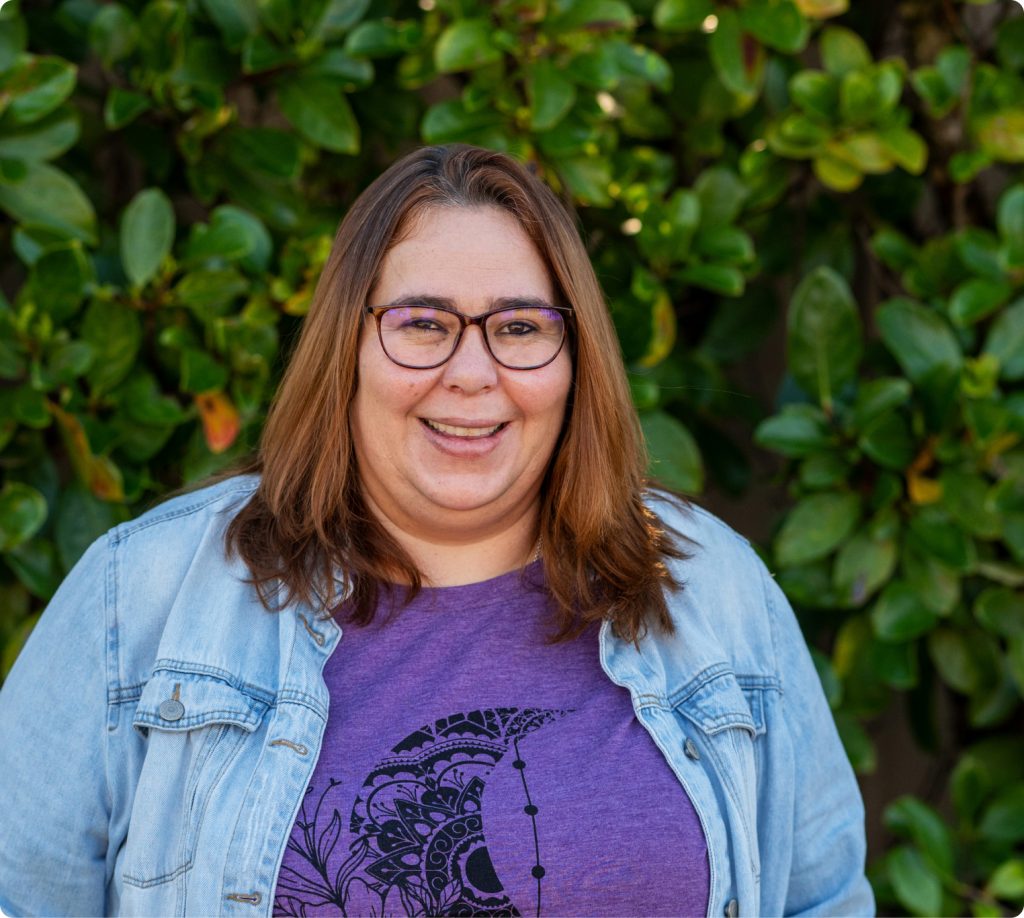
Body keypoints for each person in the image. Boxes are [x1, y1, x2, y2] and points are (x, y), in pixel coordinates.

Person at [0, 144, 873, 918]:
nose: (471, 373)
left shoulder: (714, 590)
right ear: (348, 343)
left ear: (576, 360)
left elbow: (823, 900)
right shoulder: (142, 596)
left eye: (519, 327)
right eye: (423, 323)